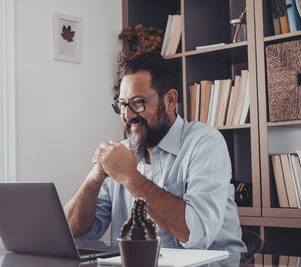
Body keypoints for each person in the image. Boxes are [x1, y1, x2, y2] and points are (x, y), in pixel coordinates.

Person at [63, 52, 247, 252]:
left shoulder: (205, 143)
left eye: (137, 103)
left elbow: (195, 234)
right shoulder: (122, 153)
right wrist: (95, 176)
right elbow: (74, 234)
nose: (127, 115)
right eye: (123, 104)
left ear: (169, 100)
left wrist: (130, 177)